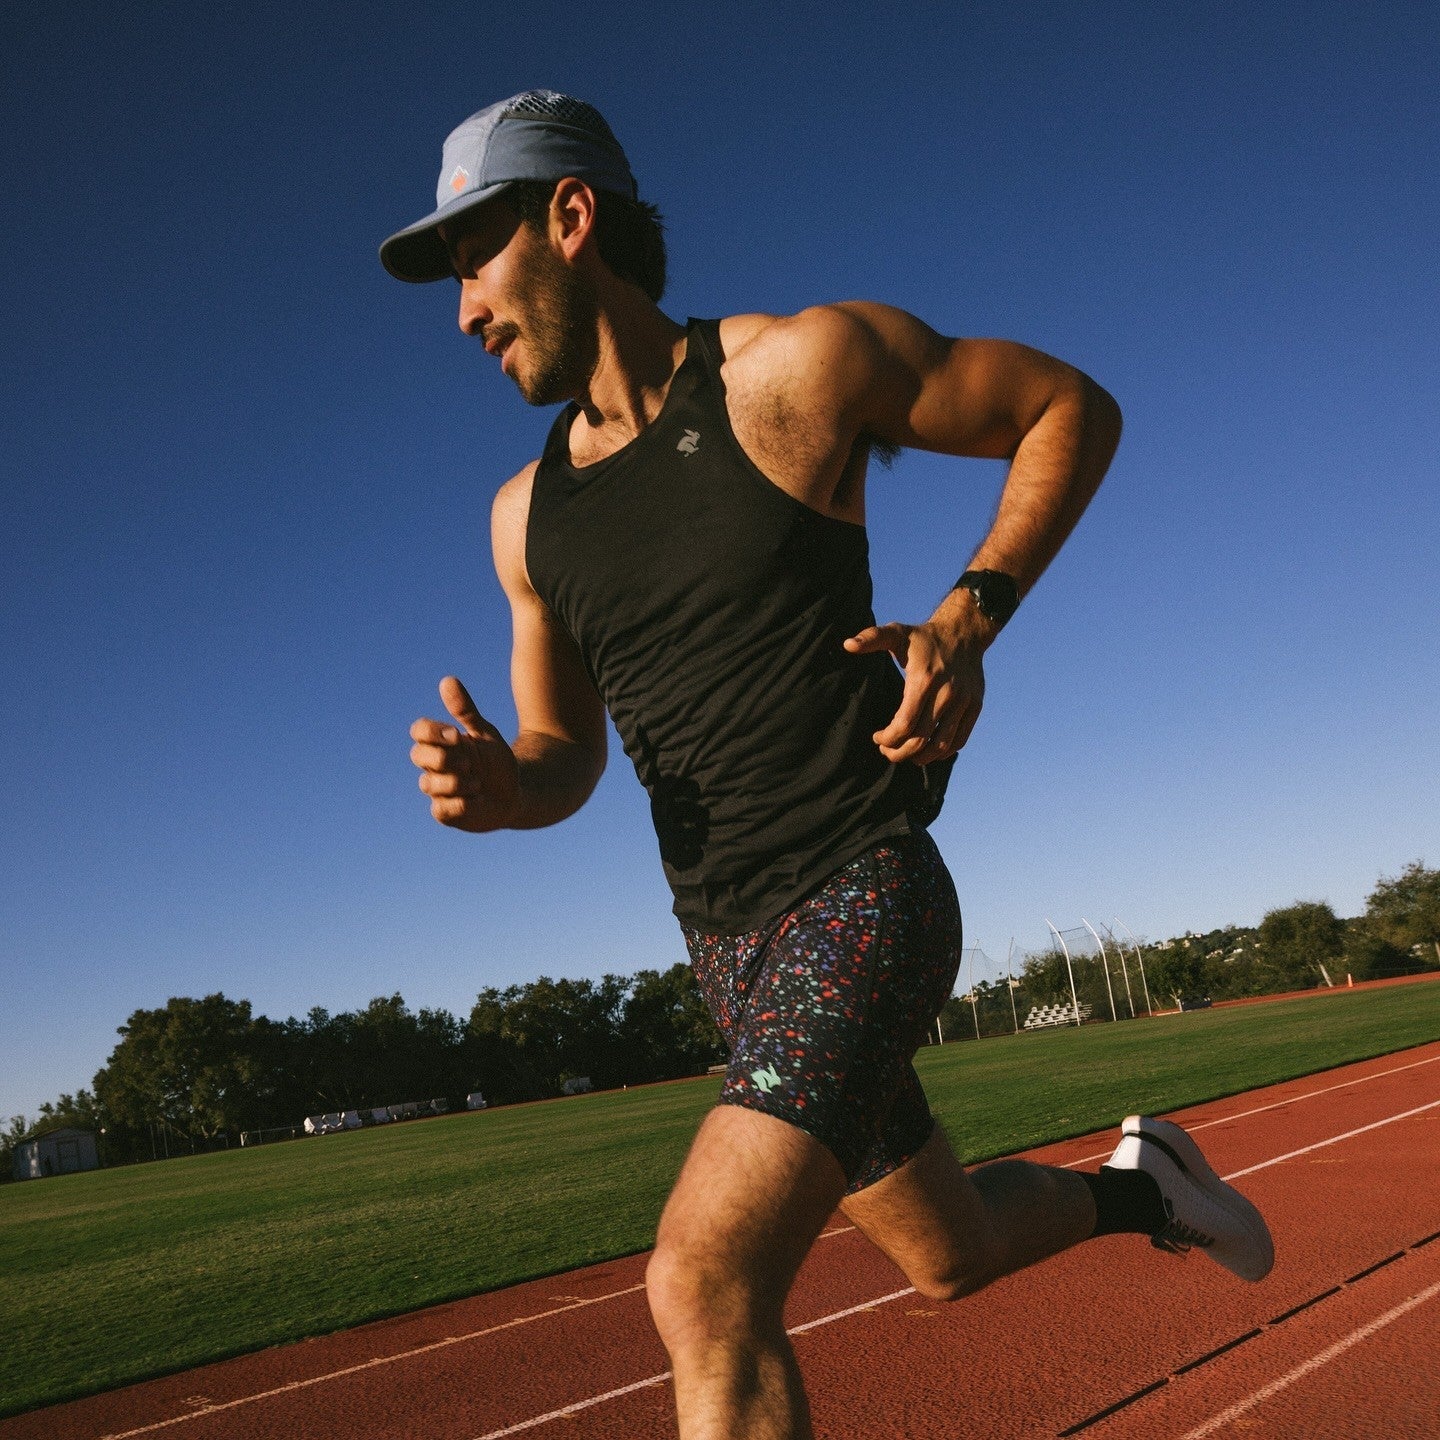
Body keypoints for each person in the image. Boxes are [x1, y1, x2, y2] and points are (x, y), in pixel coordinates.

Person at [382, 91, 1273, 1440]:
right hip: (727, 952)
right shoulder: (525, 521)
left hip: (861, 892)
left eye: (472, 260)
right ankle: (1145, 1190)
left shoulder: (796, 371)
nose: (462, 312)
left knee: (700, 1281)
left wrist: (970, 613)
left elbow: (1065, 408)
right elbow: (565, 751)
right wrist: (513, 794)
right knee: (949, 1253)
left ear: (569, 218)